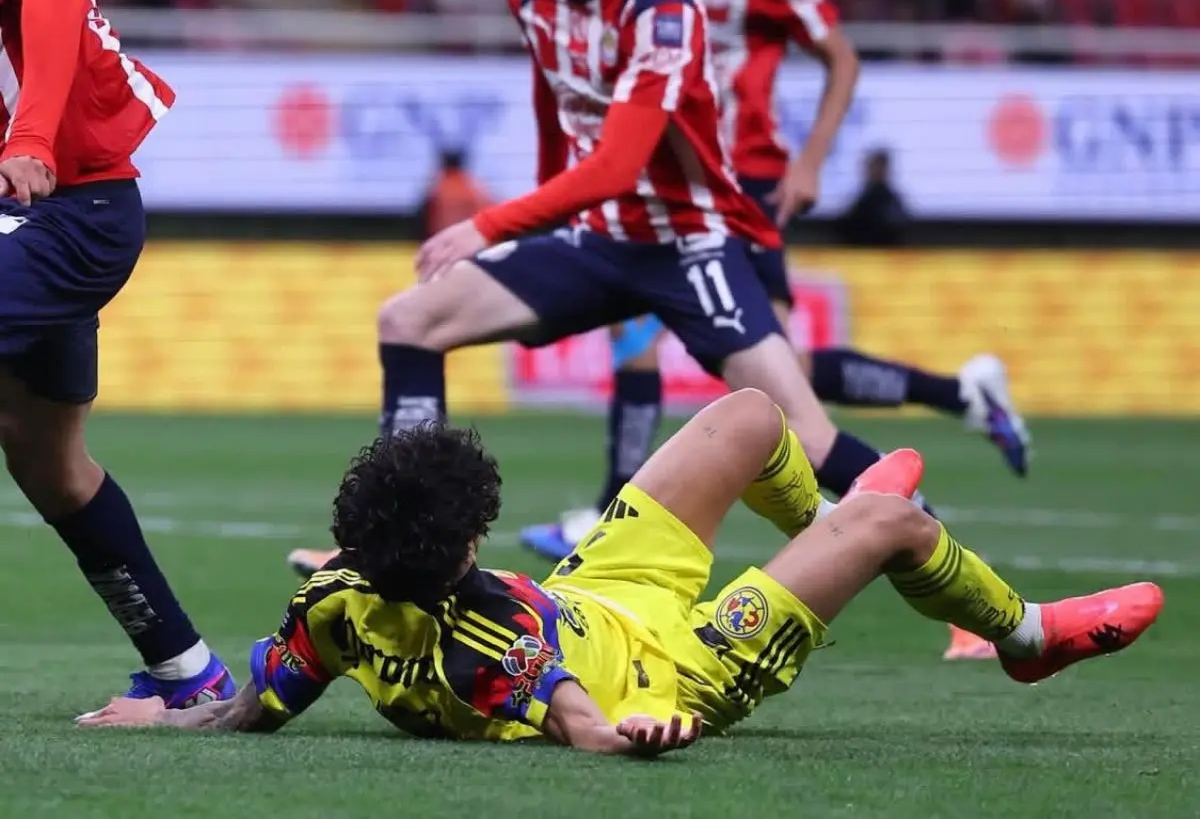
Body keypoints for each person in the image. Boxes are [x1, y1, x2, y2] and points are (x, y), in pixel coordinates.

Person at [517, 0, 1030, 662]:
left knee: (789, 393)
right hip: (664, 198)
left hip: (744, 193)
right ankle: (608, 522)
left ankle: (948, 506)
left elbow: (840, 56)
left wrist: (812, 160)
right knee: (658, 358)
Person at [80, 390, 1163, 751]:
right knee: (896, 525)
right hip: (670, 664)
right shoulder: (496, 634)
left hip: (600, 587)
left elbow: (250, 711)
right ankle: (1028, 636)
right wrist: (638, 733)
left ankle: (829, 521)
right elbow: (579, 721)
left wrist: (166, 722)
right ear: (467, 547)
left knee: (745, 417)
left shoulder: (338, 601)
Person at [0, 0, 234, 706]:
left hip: (69, 204)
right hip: (38, 209)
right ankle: (189, 674)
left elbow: (53, 0)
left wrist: (30, 137)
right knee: (51, 465)